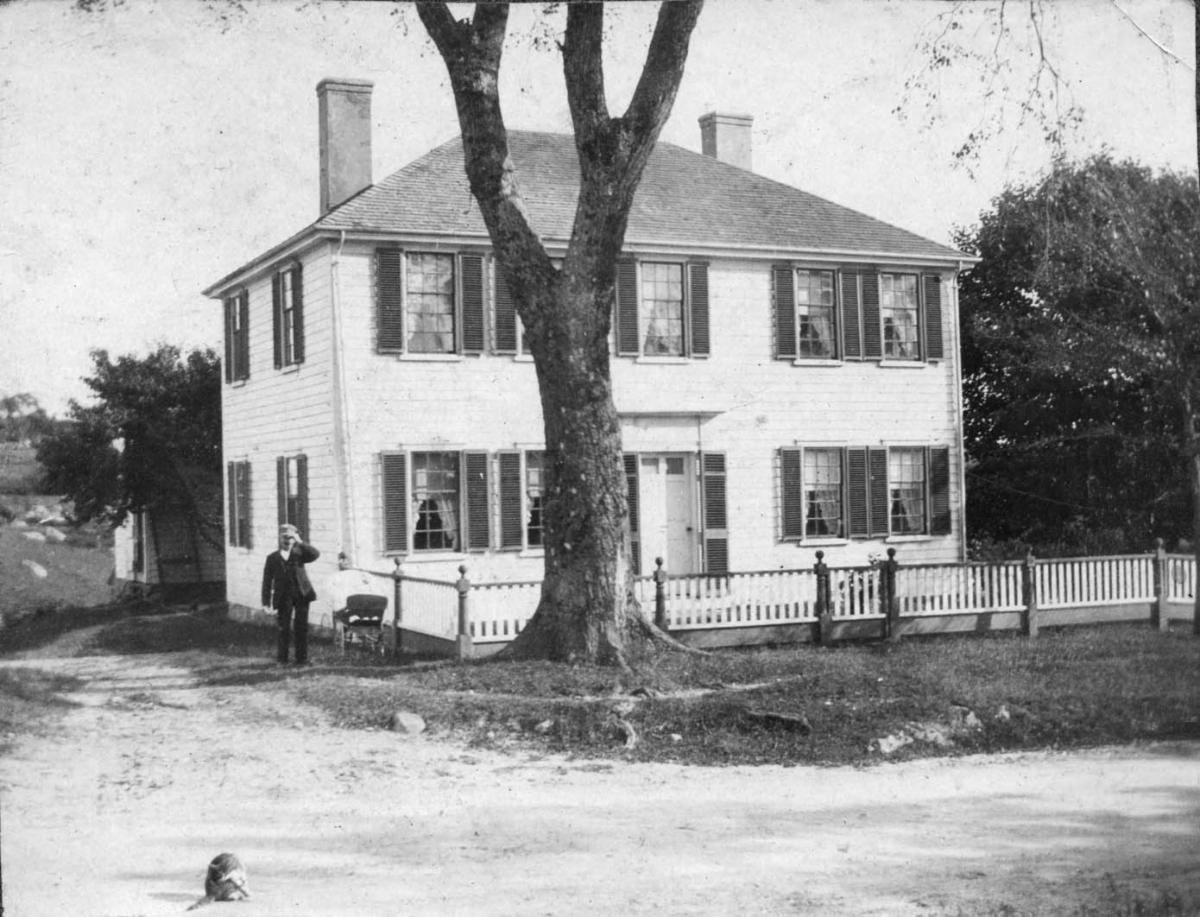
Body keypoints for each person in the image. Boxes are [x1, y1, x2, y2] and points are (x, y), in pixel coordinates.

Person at [261, 524, 320, 665]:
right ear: (279, 538)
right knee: (283, 629)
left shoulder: (300, 554)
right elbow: (267, 582)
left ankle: (301, 659)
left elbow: (315, 554)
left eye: (290, 537)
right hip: (283, 597)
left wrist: (299, 540)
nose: (287, 540)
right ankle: (282, 660)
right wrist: (265, 603)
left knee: (301, 628)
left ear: (295, 539)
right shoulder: (272, 558)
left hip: (302, 595)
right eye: (284, 537)